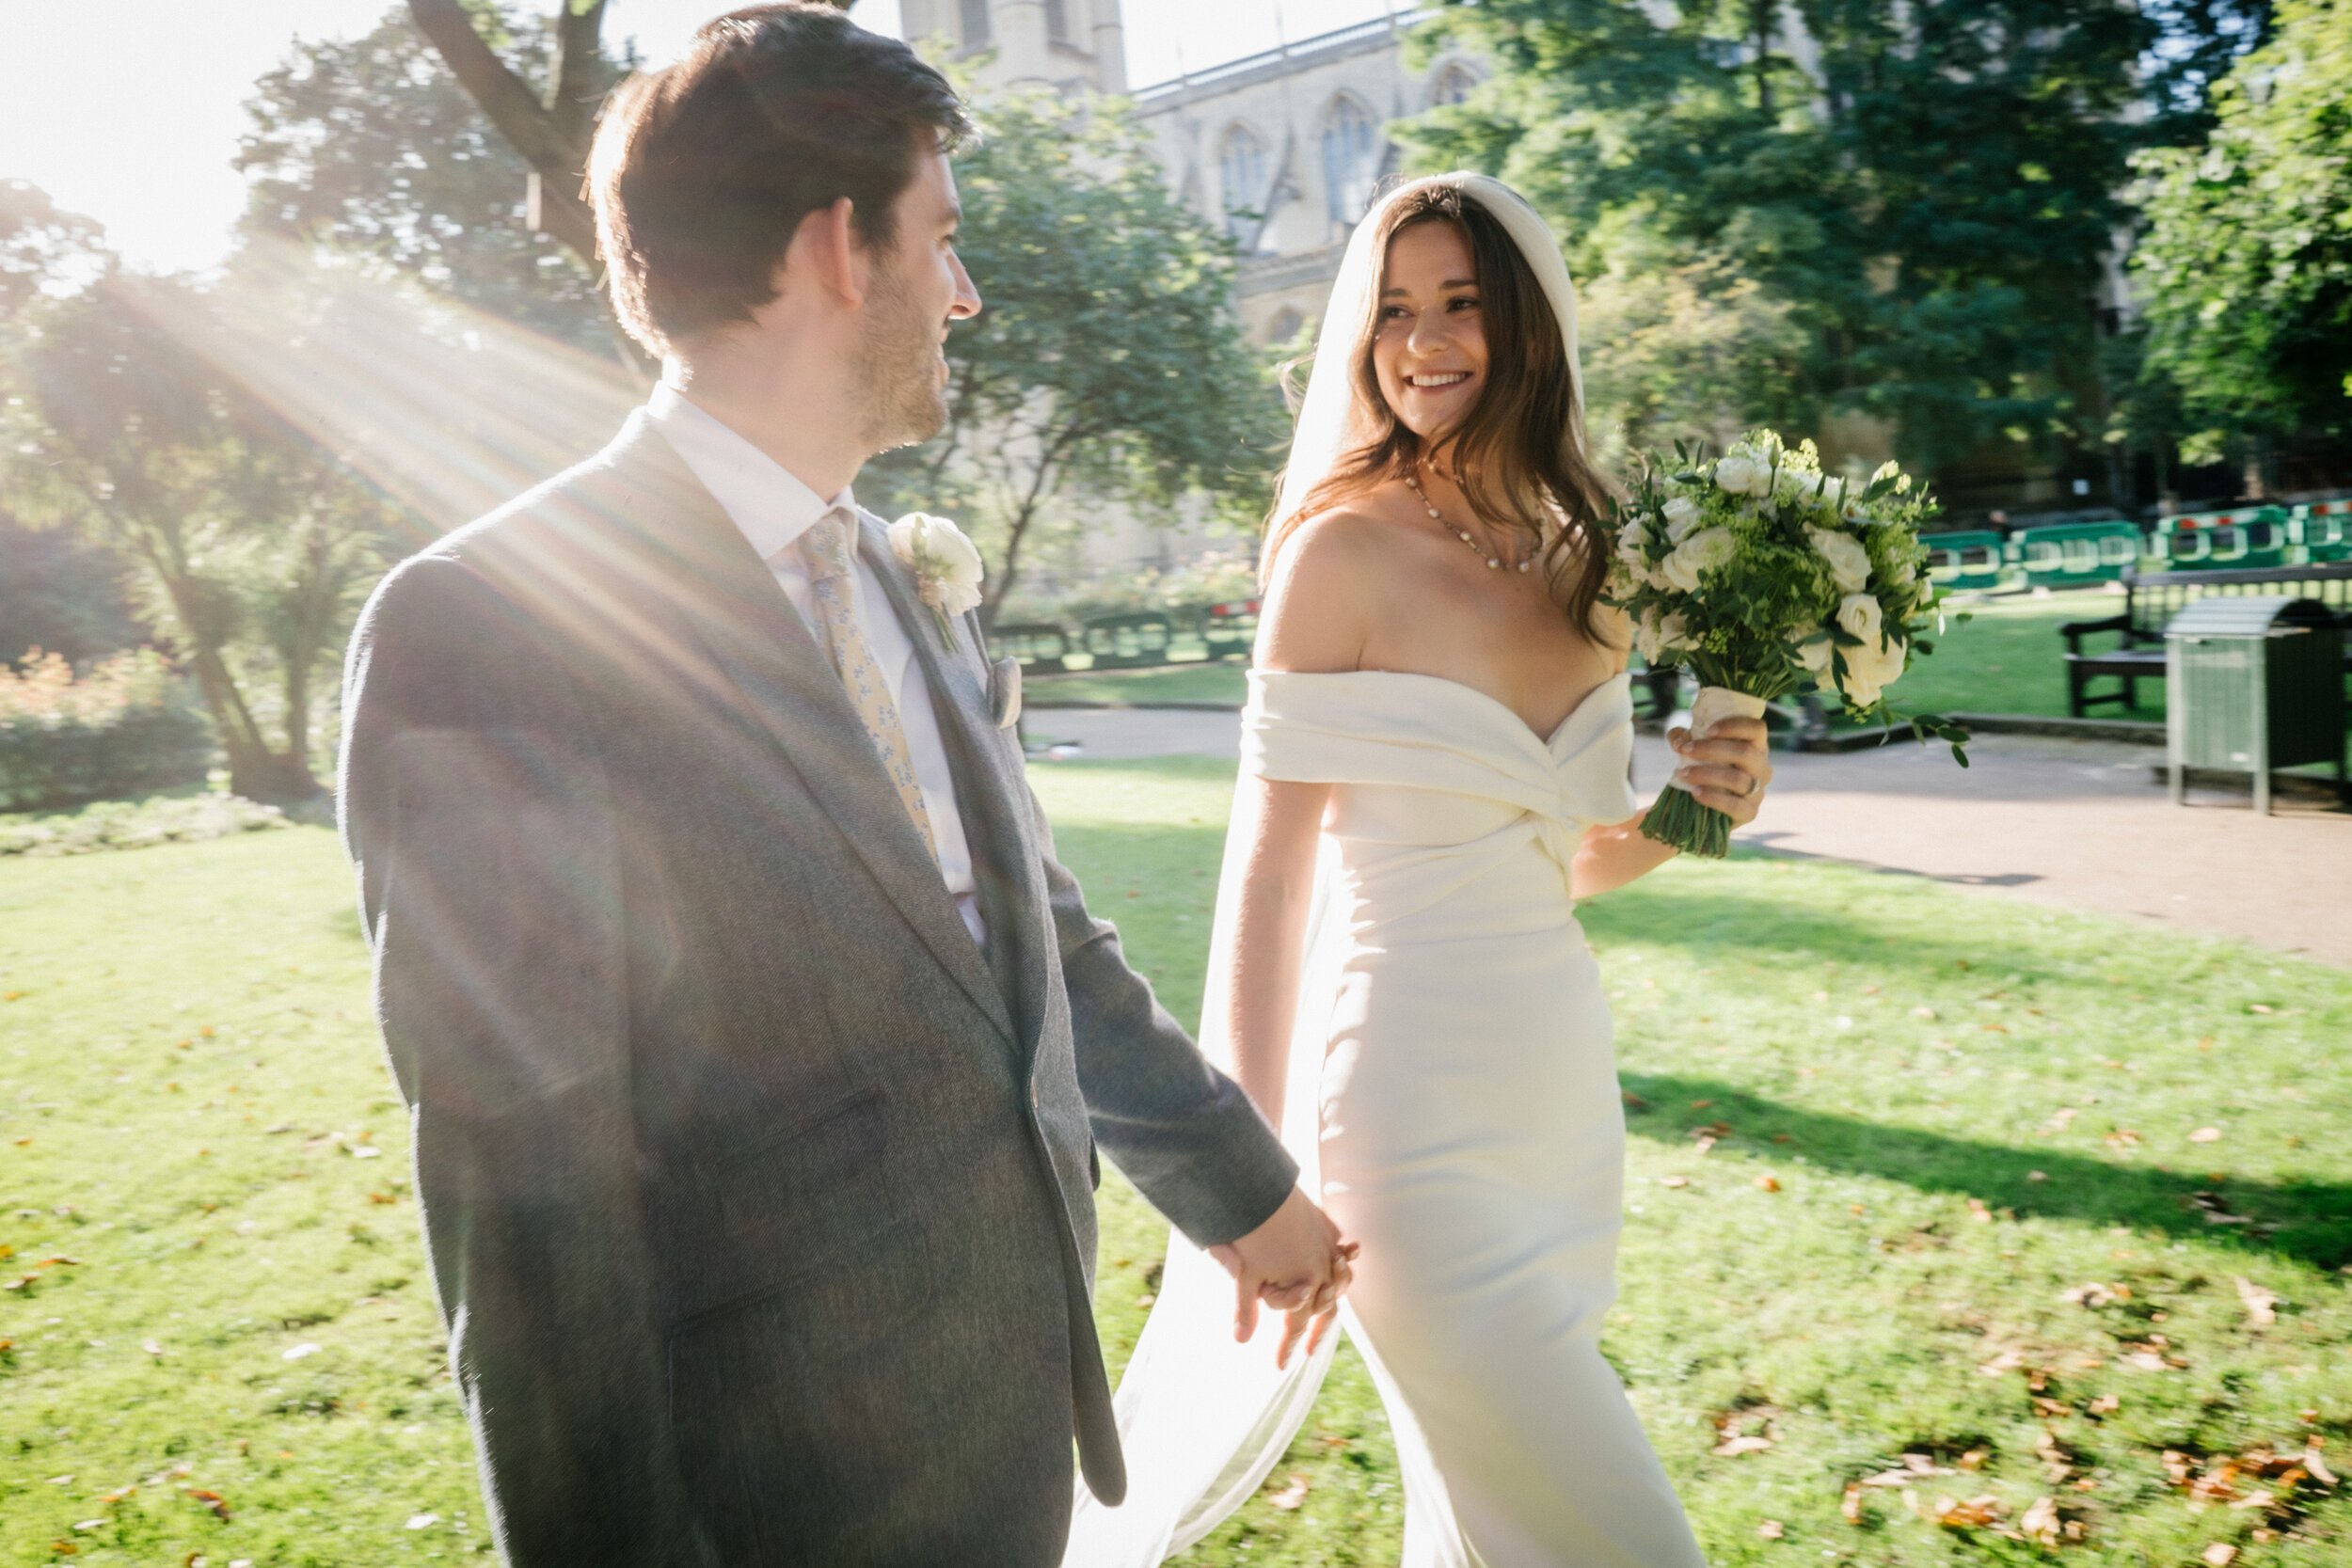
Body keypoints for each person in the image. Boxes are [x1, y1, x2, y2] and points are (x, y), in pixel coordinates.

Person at [335, 8, 1352, 1564]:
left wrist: (1242, 1190)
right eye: (940, 241)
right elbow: (531, 1220)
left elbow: (1032, 948)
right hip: (770, 1493)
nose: (968, 292)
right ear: (835, 251)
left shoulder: (895, 570)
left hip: (1009, 1446)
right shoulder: (487, 627)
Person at [1062, 174, 1775, 1567]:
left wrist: (1704, 811)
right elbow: (1267, 879)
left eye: (1459, 303)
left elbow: (1565, 864)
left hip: (1556, 1098)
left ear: (1529, 322)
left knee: (1494, 1524)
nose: (1423, 341)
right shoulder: (1341, 553)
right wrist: (1245, 1169)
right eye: (1394, 310)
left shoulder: (1597, 560)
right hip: (1399, 1119)